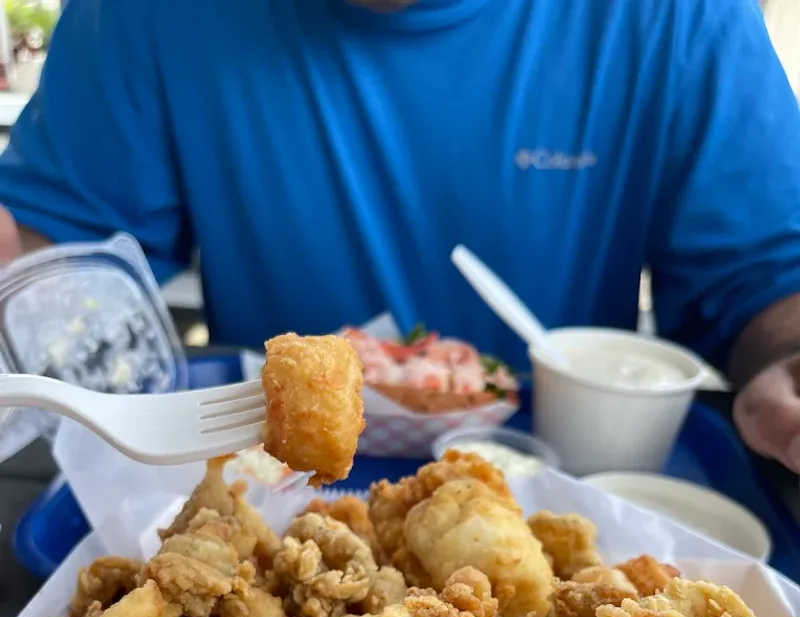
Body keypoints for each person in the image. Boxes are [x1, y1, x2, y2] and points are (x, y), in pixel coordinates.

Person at [0, 0, 799, 470]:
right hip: (260, 491)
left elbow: (768, 286)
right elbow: (49, 265)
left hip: (585, 503)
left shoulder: (677, 17)